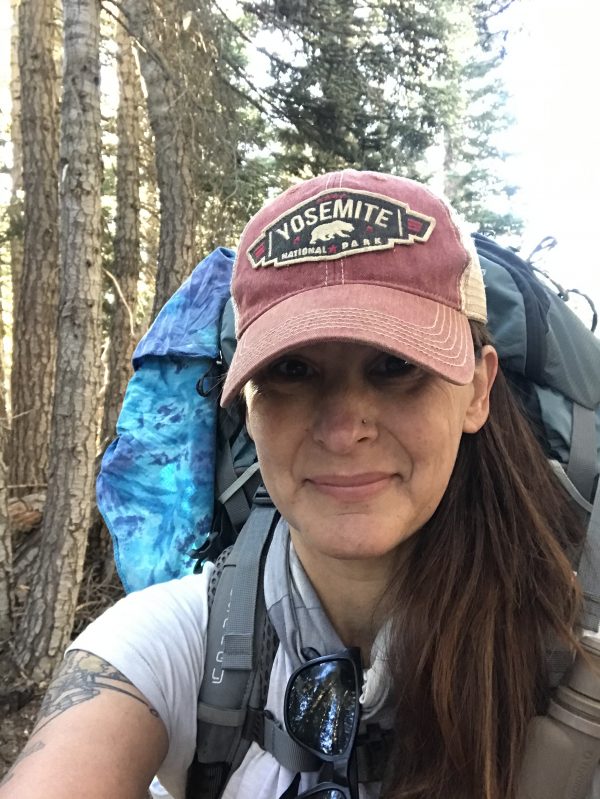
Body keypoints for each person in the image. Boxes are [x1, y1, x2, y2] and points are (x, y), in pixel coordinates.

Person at [0, 170, 587, 799]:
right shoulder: (173, 645)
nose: (343, 431)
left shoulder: (577, 658)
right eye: (292, 370)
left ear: (477, 390)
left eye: (396, 366)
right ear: (245, 407)